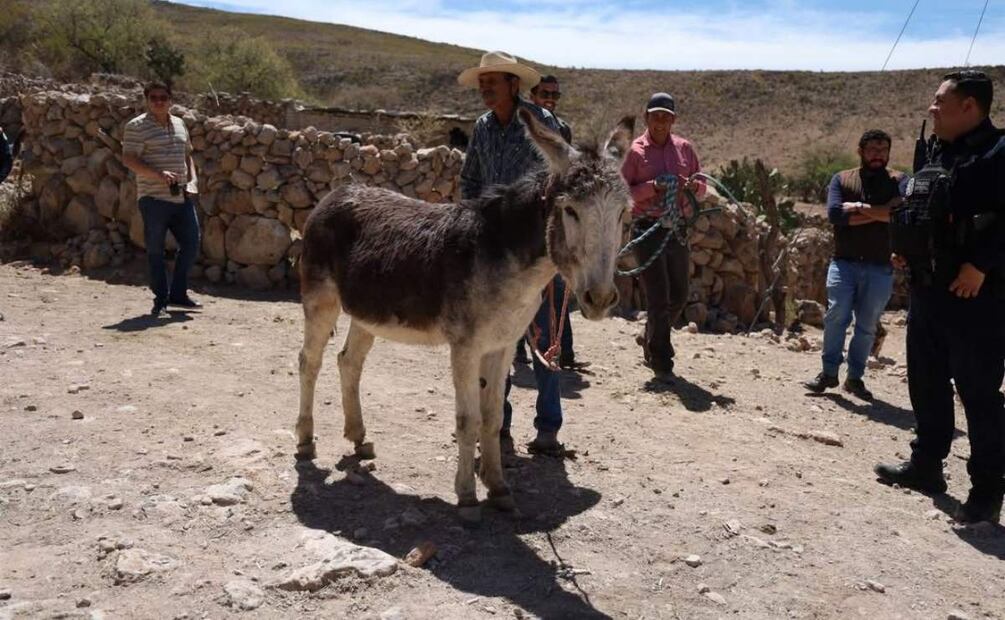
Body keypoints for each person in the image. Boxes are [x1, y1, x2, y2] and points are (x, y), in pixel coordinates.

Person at [875, 71, 1005, 524]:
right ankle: (926, 466)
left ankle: (987, 488)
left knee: (978, 391)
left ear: (969, 106)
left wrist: (980, 266)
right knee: (926, 381)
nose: (931, 108)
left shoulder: (998, 152)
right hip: (928, 287)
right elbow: (920, 208)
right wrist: (905, 248)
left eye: (939, 101)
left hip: (977, 294)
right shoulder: (935, 152)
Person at [457, 51, 567, 455]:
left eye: (493, 82)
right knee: (494, 342)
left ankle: (548, 428)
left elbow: (561, 183)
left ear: (514, 85)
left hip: (536, 251)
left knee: (544, 337)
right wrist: (470, 222)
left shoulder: (543, 124)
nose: (485, 89)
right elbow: (470, 180)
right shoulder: (483, 127)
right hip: (493, 251)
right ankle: (497, 426)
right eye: (482, 83)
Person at [803, 130, 908, 400]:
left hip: (880, 266)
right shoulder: (842, 179)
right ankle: (828, 372)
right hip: (844, 263)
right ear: (860, 151)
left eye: (883, 150)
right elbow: (835, 215)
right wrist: (881, 212)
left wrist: (859, 207)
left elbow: (900, 214)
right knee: (836, 314)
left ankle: (855, 378)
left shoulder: (899, 181)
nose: (878, 155)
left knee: (867, 324)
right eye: (872, 150)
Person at [620, 92, 705, 384]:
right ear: (646, 118)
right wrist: (653, 187)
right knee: (658, 296)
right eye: (655, 116)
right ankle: (661, 359)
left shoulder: (685, 149)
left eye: (665, 117)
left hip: (676, 228)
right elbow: (623, 193)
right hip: (647, 228)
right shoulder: (635, 152)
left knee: (679, 294)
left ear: (673, 120)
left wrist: (693, 187)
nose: (660, 122)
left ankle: (651, 336)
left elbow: (701, 184)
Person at [122, 82, 201, 317]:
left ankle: (178, 293)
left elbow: (188, 156)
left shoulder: (179, 124)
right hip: (153, 198)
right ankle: (161, 299)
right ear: (146, 100)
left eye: (163, 97)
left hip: (181, 196)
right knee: (155, 249)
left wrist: (193, 181)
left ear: (170, 100)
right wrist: (159, 175)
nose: (158, 101)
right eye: (153, 97)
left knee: (192, 243)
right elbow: (129, 159)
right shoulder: (136, 126)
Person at [527, 74, 587, 371]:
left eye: (555, 94)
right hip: (527, 219)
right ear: (533, 95)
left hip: (553, 221)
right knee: (522, 288)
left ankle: (565, 353)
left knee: (558, 288)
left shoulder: (563, 129)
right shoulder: (524, 129)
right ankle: (518, 352)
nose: (550, 98)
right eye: (545, 93)